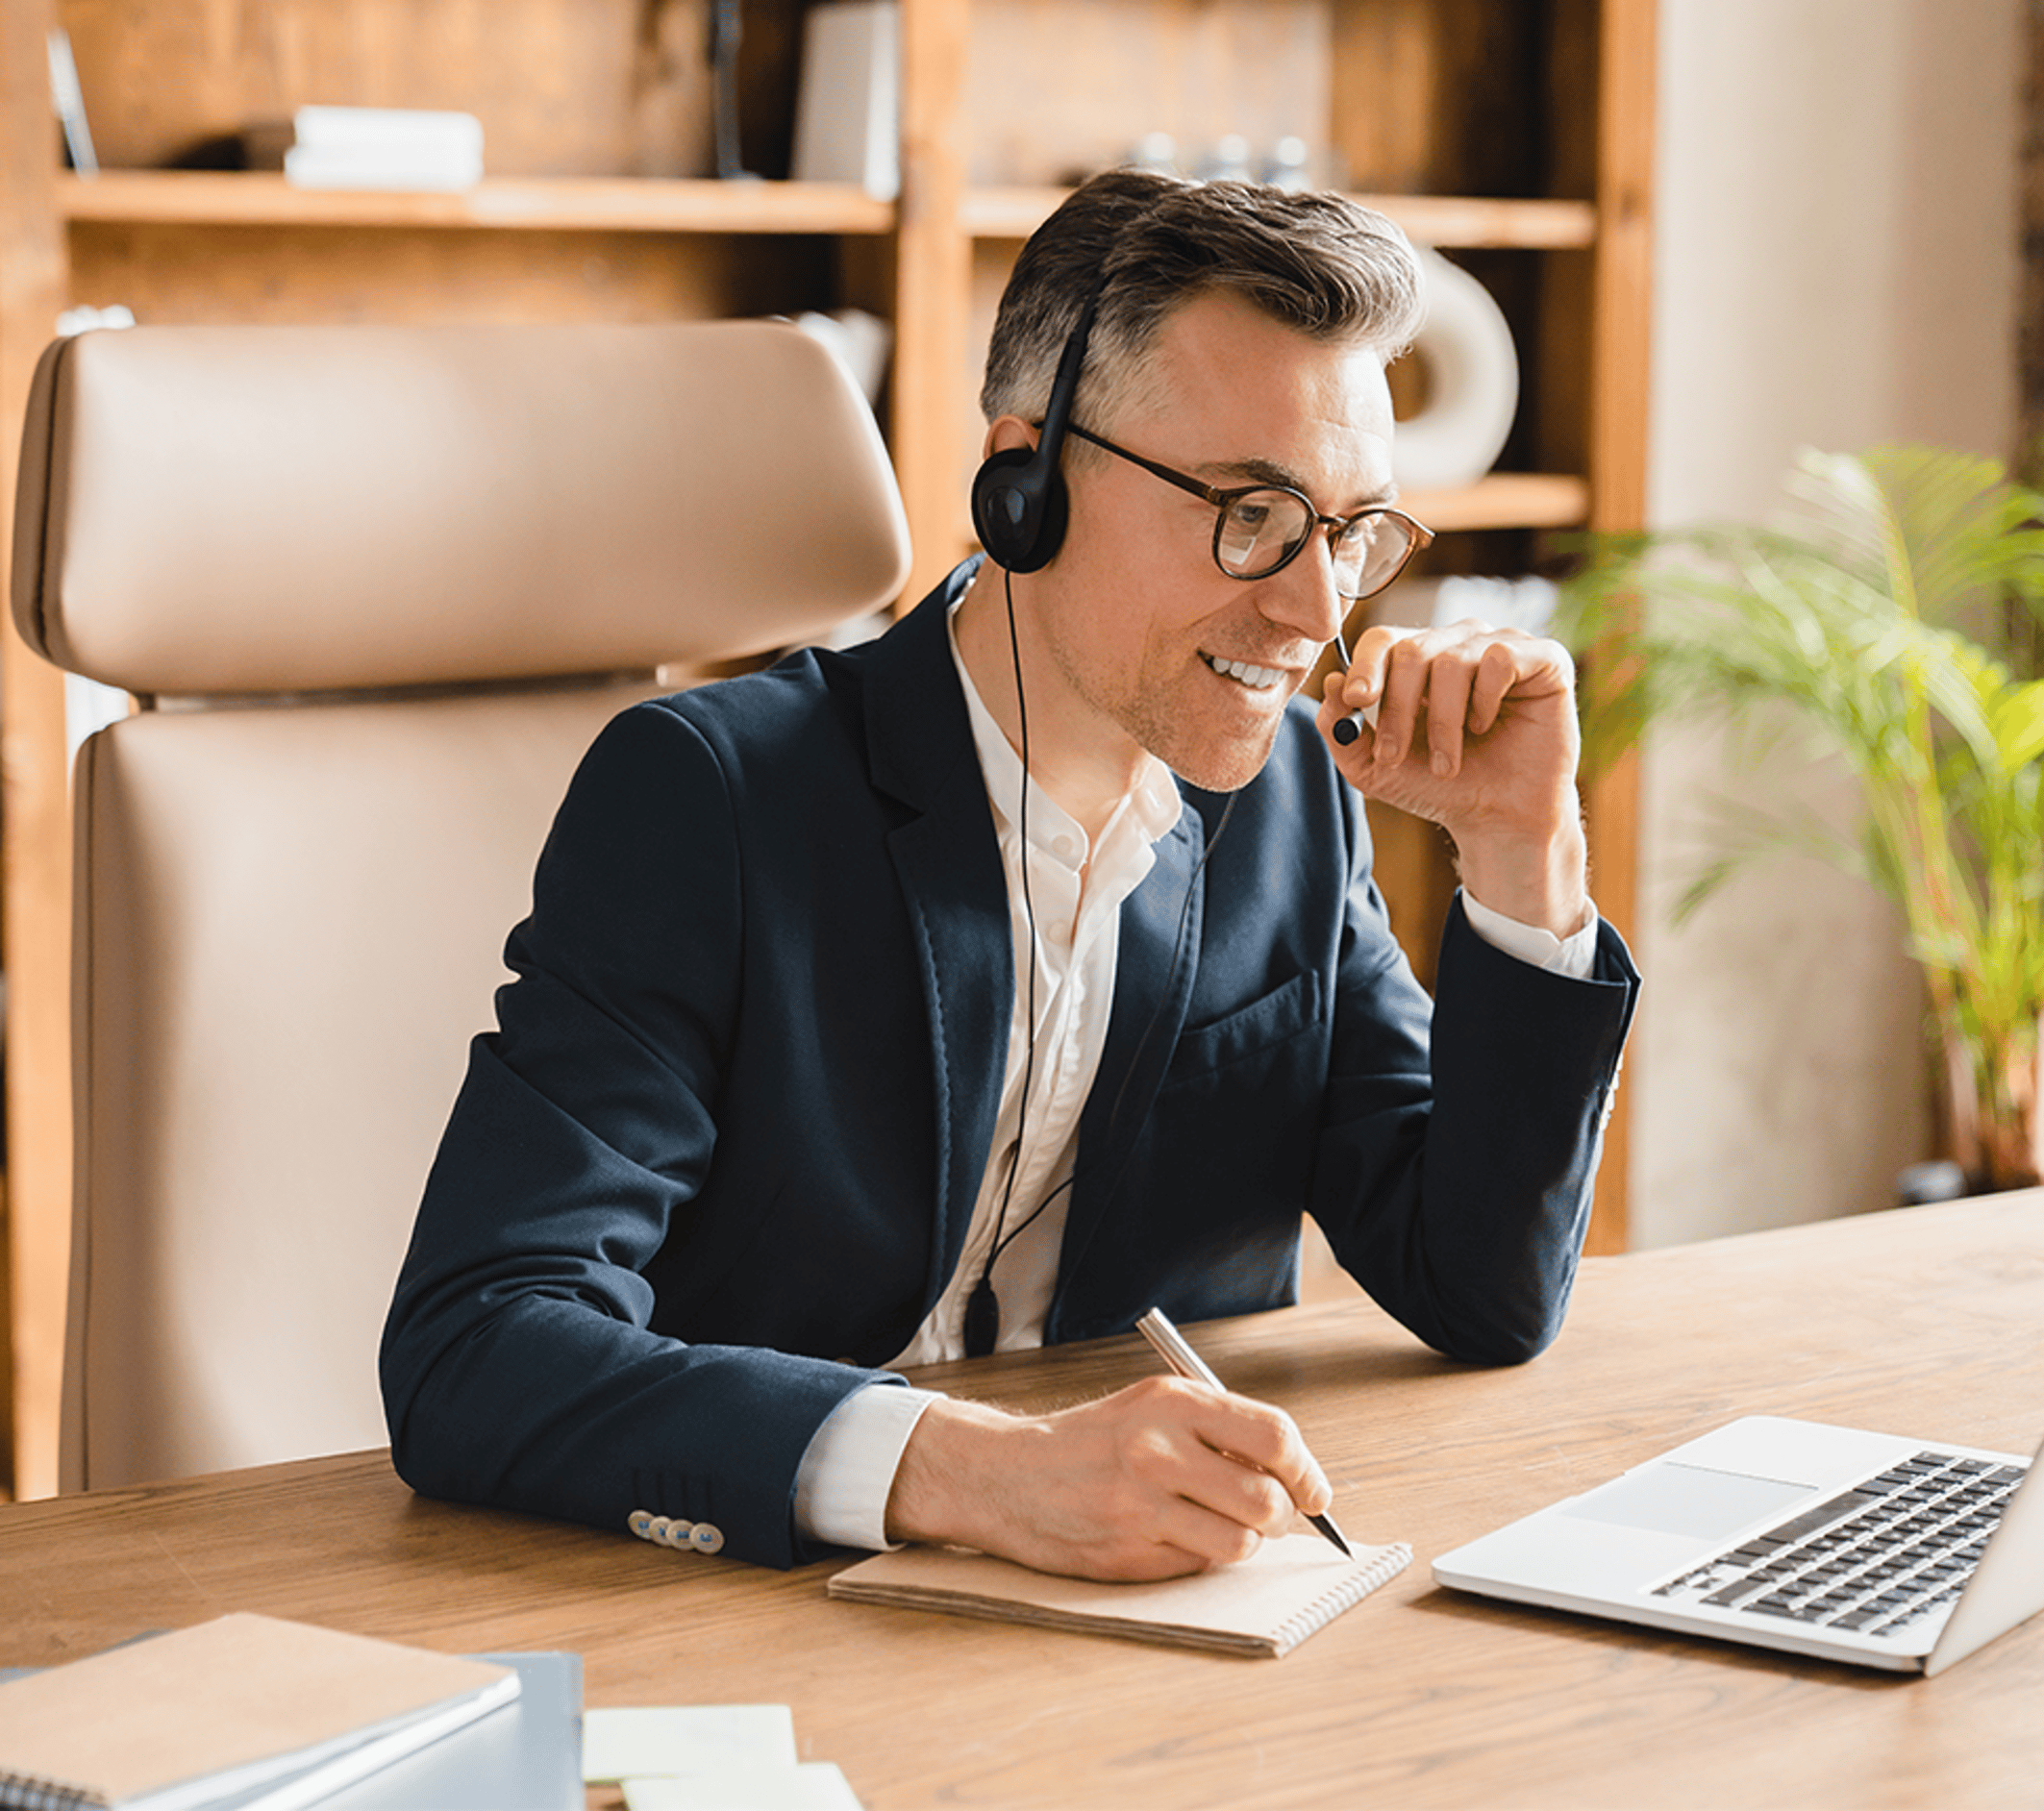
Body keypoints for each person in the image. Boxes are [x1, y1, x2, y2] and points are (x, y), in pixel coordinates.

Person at [380, 168, 1639, 1580]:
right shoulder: (713, 799)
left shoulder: (1296, 806)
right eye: (1253, 512)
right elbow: (476, 1343)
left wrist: (1523, 855)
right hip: (754, 1606)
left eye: (1352, 533)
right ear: (1025, 484)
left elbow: (1483, 1291)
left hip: (1167, 1615)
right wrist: (977, 1476)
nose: (1317, 609)